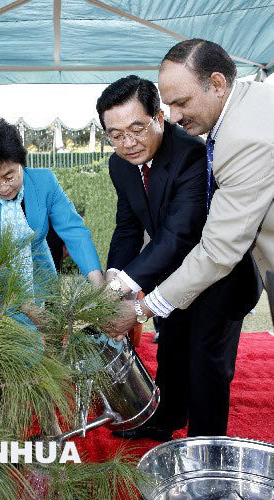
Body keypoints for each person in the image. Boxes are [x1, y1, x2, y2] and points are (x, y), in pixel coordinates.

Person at [97, 75, 260, 439]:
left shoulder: (191, 154)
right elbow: (127, 227)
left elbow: (178, 234)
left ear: (159, 117)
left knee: (206, 365)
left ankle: (205, 446)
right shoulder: (119, 165)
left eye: (137, 128)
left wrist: (126, 285)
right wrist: (113, 278)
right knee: (171, 352)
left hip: (220, 277)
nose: (128, 142)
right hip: (169, 277)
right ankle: (166, 419)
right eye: (116, 134)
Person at [108, 39, 273, 331]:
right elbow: (127, 227)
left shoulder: (242, 139)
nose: (174, 117)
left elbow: (217, 250)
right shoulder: (250, 102)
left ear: (217, 83)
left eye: (181, 103)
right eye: (169, 104)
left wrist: (141, 309)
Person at [0, 117, 103, 314]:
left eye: (9, 176)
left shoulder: (44, 182)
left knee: (50, 336)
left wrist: (98, 285)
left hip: (42, 279)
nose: (3, 187)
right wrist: (26, 309)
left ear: (21, 163)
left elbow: (74, 231)